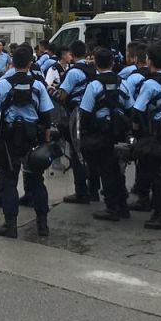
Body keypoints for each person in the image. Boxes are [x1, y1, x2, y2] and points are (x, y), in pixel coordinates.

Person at [0, 44, 55, 238]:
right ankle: (42, 225)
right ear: (30, 63)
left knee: (10, 181)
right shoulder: (38, 84)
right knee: (37, 180)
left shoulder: (4, 84)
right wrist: (46, 142)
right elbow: (47, 117)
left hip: (8, 139)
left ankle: (10, 225)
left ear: (11, 63)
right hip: (33, 139)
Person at [79, 46, 134, 222]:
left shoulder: (94, 85)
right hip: (119, 133)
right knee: (118, 170)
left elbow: (85, 113)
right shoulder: (122, 82)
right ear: (112, 62)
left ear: (95, 63)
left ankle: (112, 208)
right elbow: (130, 107)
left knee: (106, 171)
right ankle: (123, 206)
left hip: (100, 133)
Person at [130, 44, 161, 230]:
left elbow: (138, 109)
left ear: (149, 60)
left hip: (152, 134)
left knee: (158, 175)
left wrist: (136, 128)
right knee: (156, 171)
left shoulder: (150, 83)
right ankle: (151, 205)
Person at [54, 40, 97, 205]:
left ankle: (81, 192)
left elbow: (63, 95)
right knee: (91, 152)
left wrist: (52, 91)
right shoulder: (93, 69)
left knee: (76, 153)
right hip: (91, 113)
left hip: (76, 115)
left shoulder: (73, 72)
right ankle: (94, 190)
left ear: (71, 54)